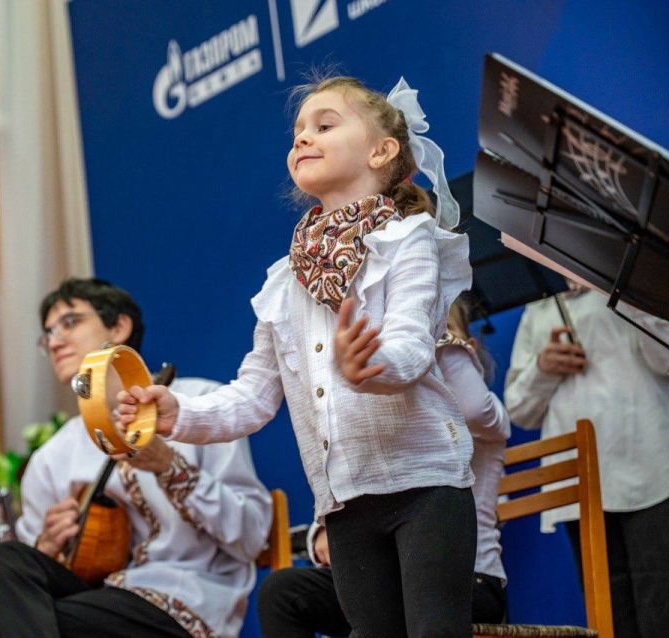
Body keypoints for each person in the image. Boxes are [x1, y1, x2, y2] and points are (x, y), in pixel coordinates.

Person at [116, 75, 476, 636]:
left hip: (425, 485)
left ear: (381, 151)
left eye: (325, 125)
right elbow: (253, 396)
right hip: (344, 504)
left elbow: (409, 346)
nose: (303, 138)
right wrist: (177, 415)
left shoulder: (409, 240)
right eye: (298, 131)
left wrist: (371, 365)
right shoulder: (284, 282)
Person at [0, 278, 272, 638]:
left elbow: (252, 535)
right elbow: (29, 580)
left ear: (119, 327)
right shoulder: (50, 458)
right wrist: (47, 546)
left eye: (70, 322)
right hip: (95, 597)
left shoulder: (199, 406)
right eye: (47, 334)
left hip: (180, 602)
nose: (54, 341)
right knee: (5, 560)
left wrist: (169, 467)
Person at [256, 297, 510, 636]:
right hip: (389, 573)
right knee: (283, 593)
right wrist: (324, 531)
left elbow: (475, 408)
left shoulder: (475, 404)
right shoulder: (388, 402)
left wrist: (445, 352)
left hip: (469, 578)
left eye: (438, 329)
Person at [504, 285, 669, 638]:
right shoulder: (538, 308)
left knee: (659, 594)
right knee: (607, 605)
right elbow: (520, 410)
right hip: (579, 481)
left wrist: (634, 300)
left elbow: (665, 359)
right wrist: (543, 367)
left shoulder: (631, 290)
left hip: (649, 465)